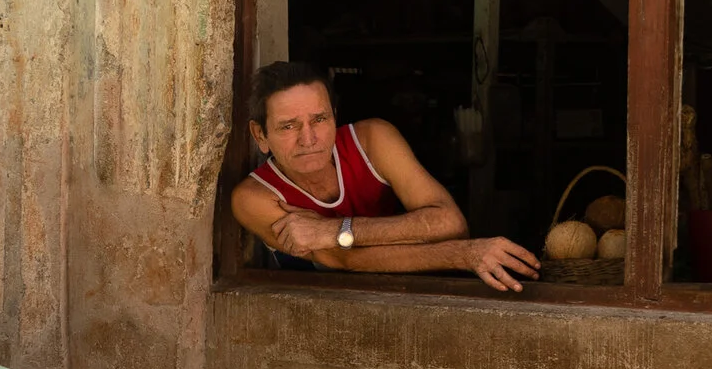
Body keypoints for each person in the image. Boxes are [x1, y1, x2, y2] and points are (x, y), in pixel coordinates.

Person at [231, 62, 540, 292]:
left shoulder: (372, 139)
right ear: (261, 135)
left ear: (334, 117)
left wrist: (333, 229)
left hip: (406, 297)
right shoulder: (254, 197)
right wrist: (465, 254)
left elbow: (451, 223)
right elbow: (347, 260)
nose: (308, 138)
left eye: (319, 119)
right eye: (288, 126)